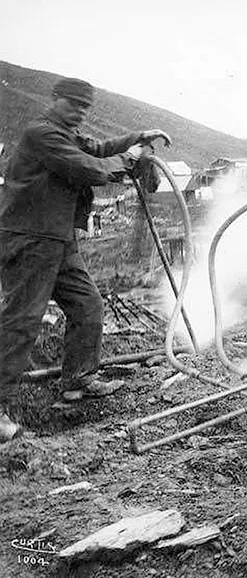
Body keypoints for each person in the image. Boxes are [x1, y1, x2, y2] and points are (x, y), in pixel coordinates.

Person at [0, 77, 172, 442]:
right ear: (55, 99)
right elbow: (88, 168)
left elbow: (97, 148)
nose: (79, 112)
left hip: (59, 239)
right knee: (22, 321)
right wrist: (130, 159)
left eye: (84, 108)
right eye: (73, 105)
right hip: (31, 239)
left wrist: (138, 136)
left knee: (87, 305)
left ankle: (78, 379)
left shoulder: (68, 133)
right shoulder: (42, 135)